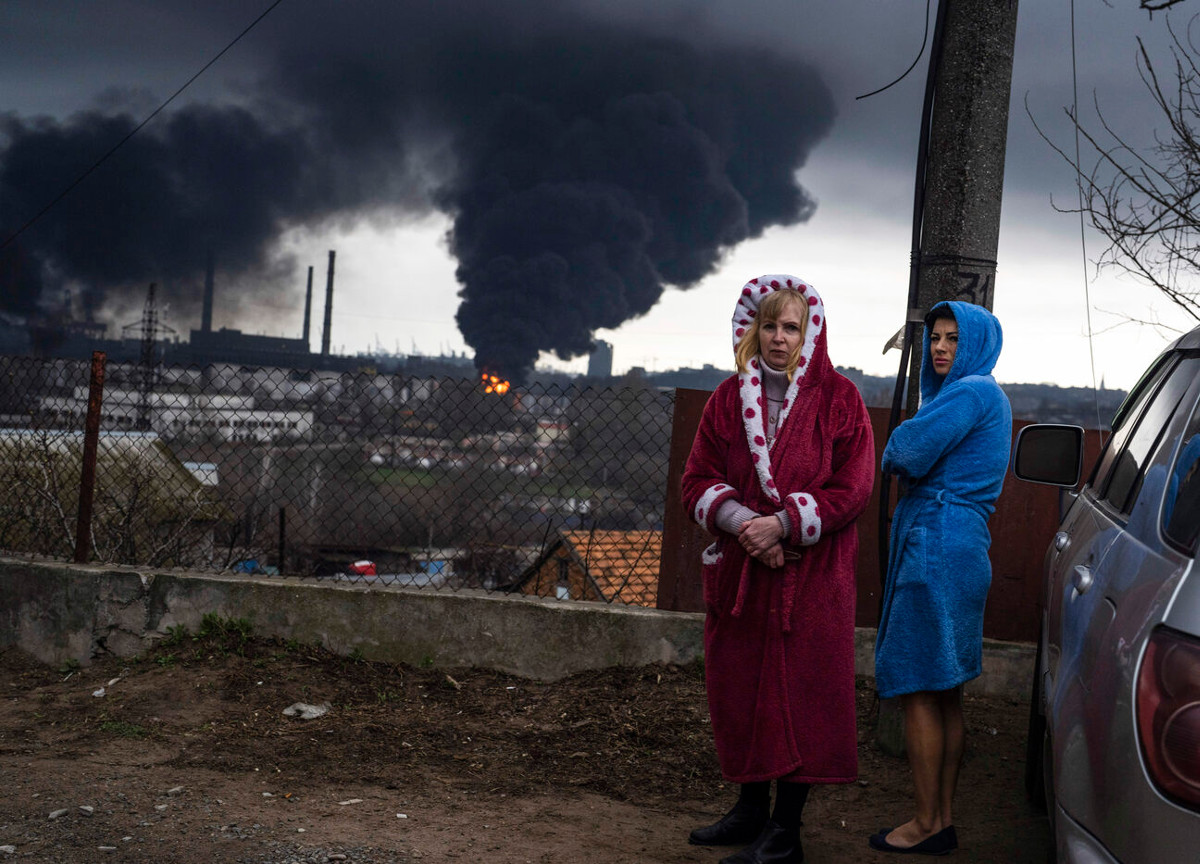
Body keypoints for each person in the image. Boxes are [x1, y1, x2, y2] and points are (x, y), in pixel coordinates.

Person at [682, 274, 875, 864]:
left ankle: (785, 832)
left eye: (791, 326)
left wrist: (786, 523)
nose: (779, 337)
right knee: (741, 689)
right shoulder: (724, 399)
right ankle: (749, 811)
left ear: (809, 330)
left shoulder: (841, 400)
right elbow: (696, 481)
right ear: (751, 329)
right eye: (769, 324)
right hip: (745, 574)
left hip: (811, 580)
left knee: (800, 695)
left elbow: (854, 486)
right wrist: (746, 524)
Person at [870, 301, 1012, 856]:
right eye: (935, 337)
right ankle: (941, 819)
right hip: (963, 544)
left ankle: (926, 822)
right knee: (945, 692)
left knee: (918, 691)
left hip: (937, 542)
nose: (940, 347)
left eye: (954, 338)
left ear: (977, 343)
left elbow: (904, 450)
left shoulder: (971, 392)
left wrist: (902, 436)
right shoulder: (987, 397)